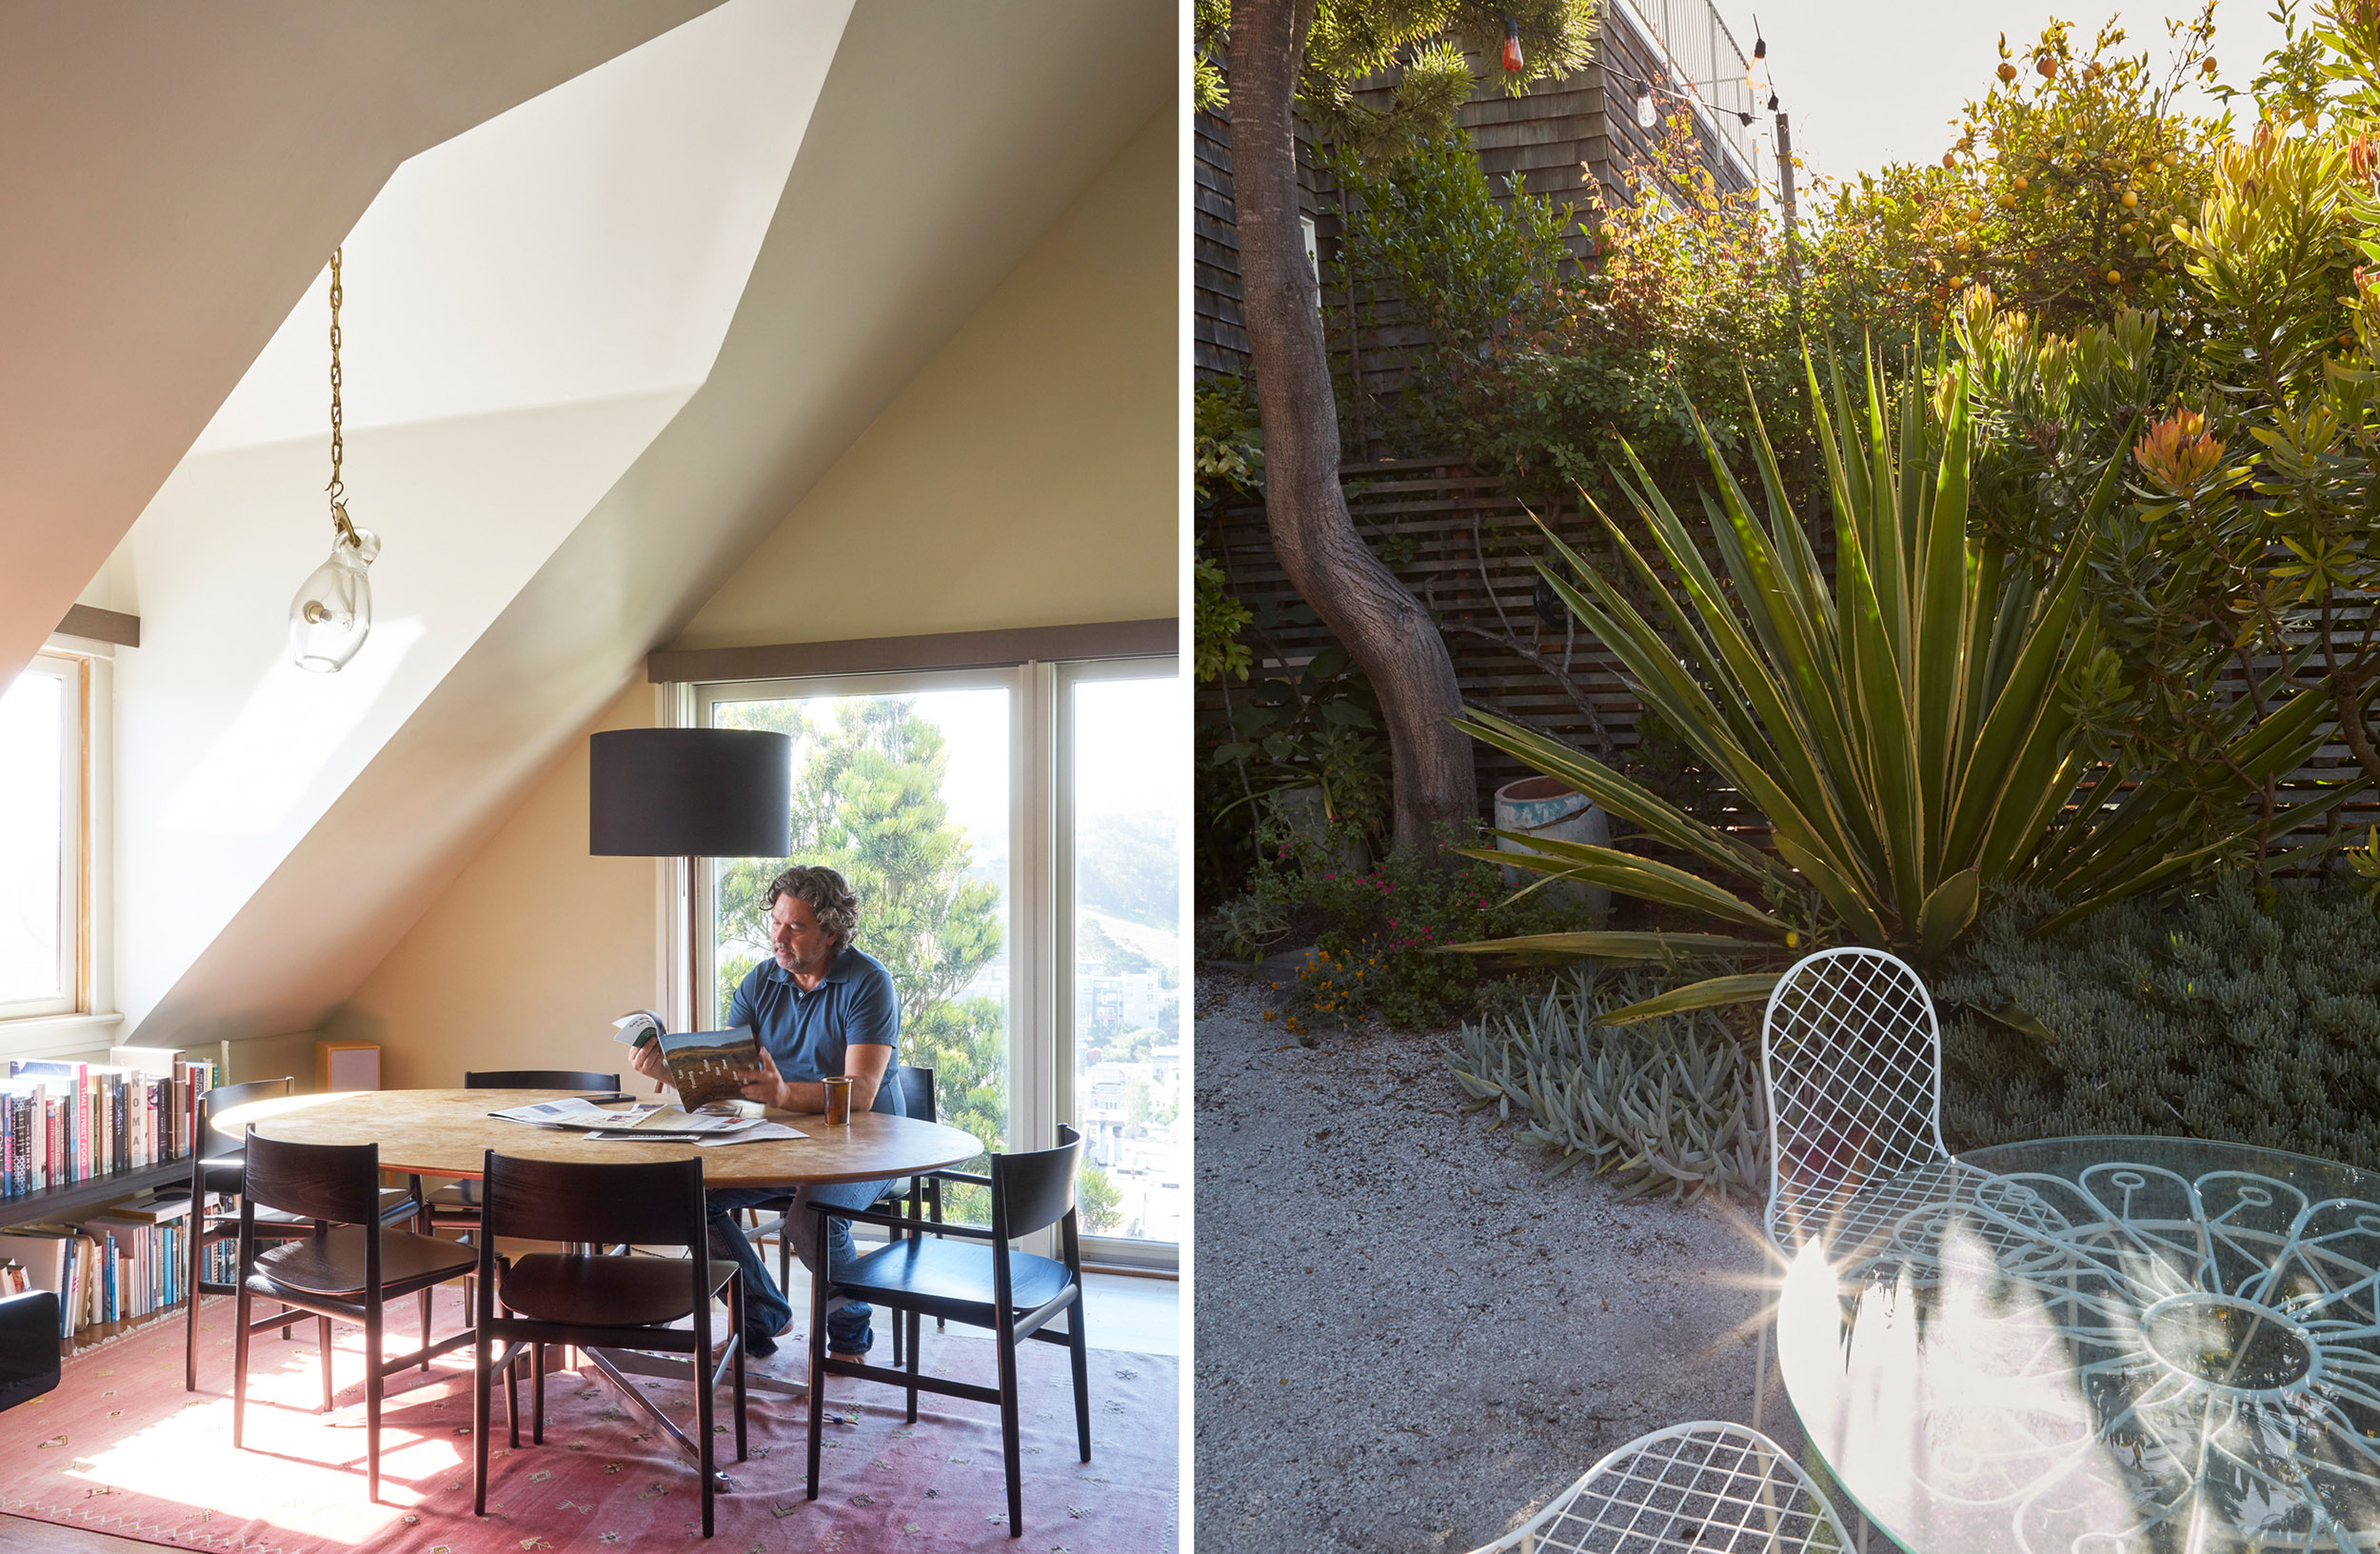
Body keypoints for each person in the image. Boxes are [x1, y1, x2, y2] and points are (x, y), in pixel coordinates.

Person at [626, 864, 904, 1361]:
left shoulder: (868, 983)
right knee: (686, 1198)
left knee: (810, 1221)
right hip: (779, 1136)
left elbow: (860, 1092)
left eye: (795, 926)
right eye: (776, 922)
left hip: (866, 1146)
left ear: (831, 932)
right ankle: (763, 1312)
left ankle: (850, 1334)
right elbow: (733, 1082)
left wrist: (777, 1094)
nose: (779, 937)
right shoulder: (759, 983)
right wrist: (677, 1075)